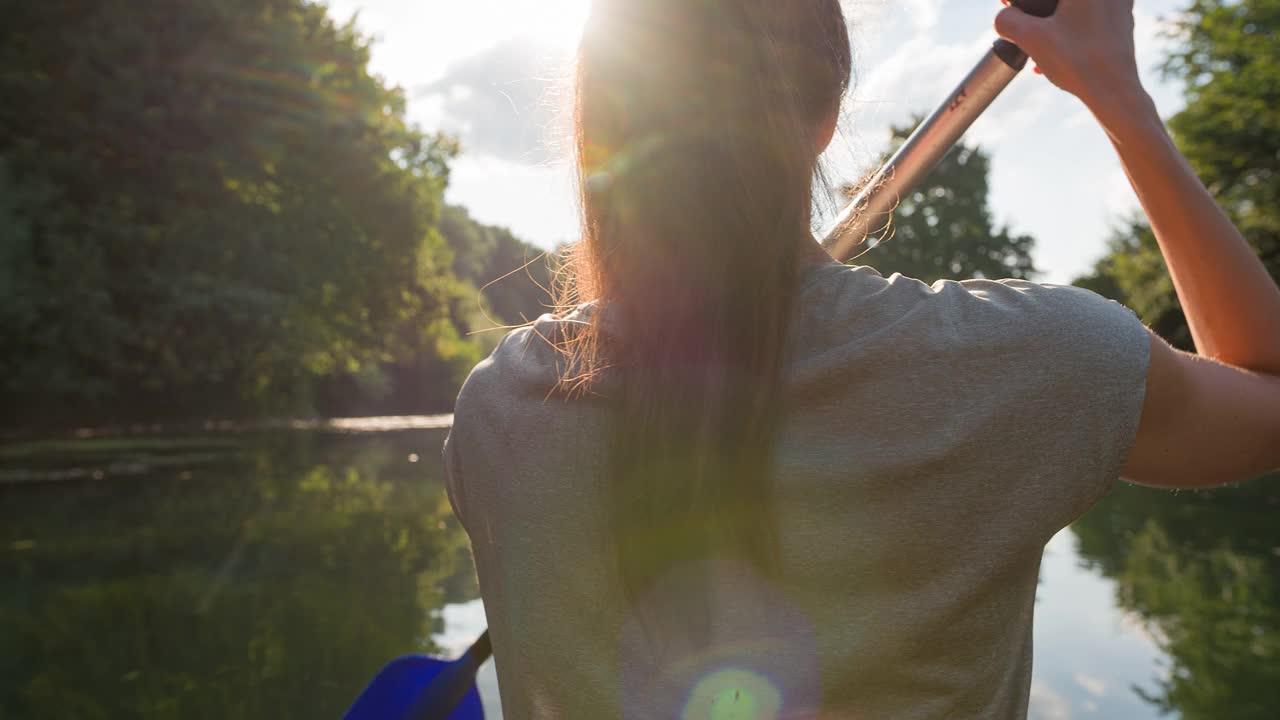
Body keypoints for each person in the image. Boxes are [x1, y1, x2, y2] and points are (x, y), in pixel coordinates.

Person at [443, 0, 1280, 717]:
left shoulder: (497, 414)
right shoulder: (1028, 360)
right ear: (824, 114)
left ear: (597, 129)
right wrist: (1117, 95)